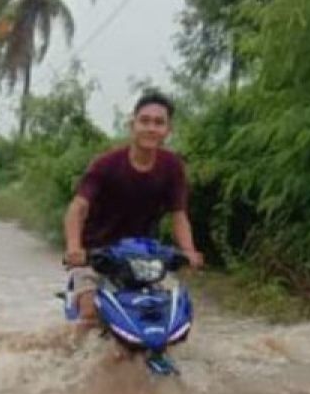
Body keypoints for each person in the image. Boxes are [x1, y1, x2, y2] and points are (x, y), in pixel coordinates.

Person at [62, 91, 204, 324]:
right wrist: (74, 248)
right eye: (145, 121)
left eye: (159, 123)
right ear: (132, 124)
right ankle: (80, 357)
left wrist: (189, 251)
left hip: (144, 256)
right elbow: (77, 208)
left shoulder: (172, 167)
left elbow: (179, 214)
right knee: (89, 314)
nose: (151, 128)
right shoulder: (105, 164)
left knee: (173, 313)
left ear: (168, 130)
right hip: (96, 254)